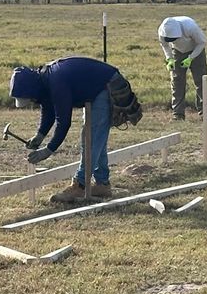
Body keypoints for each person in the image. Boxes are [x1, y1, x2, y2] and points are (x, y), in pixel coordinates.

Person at [9, 56, 141, 202]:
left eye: (31, 99)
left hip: (107, 86)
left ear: (32, 89)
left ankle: (80, 185)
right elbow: (48, 110)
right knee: (95, 138)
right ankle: (102, 184)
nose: (32, 102)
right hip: (97, 88)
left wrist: (49, 150)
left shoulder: (56, 82)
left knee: (91, 137)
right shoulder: (45, 80)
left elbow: (64, 122)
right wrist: (40, 135)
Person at [158, 16, 207, 121]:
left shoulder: (190, 27)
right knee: (177, 81)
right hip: (177, 51)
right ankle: (178, 114)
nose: (173, 40)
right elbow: (165, 45)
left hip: (196, 50)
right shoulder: (162, 31)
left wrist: (191, 58)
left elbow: (202, 42)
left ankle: (204, 113)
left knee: (201, 81)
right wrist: (169, 59)